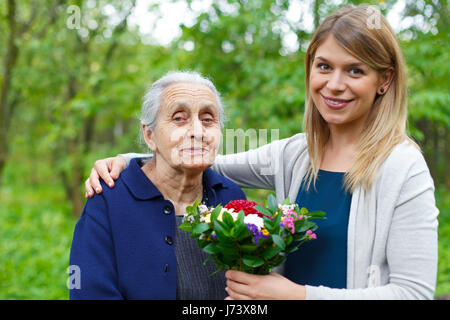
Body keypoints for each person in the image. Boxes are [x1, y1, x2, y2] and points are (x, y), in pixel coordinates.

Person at [84, 5, 439, 299]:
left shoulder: (402, 166)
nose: (334, 84)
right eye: (324, 66)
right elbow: (201, 156)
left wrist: (297, 295)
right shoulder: (297, 156)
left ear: (385, 80)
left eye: (355, 70)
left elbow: (414, 293)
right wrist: (130, 161)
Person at [69, 71, 246, 299]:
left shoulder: (231, 197)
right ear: (149, 136)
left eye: (208, 119)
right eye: (179, 118)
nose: (197, 132)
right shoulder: (108, 199)